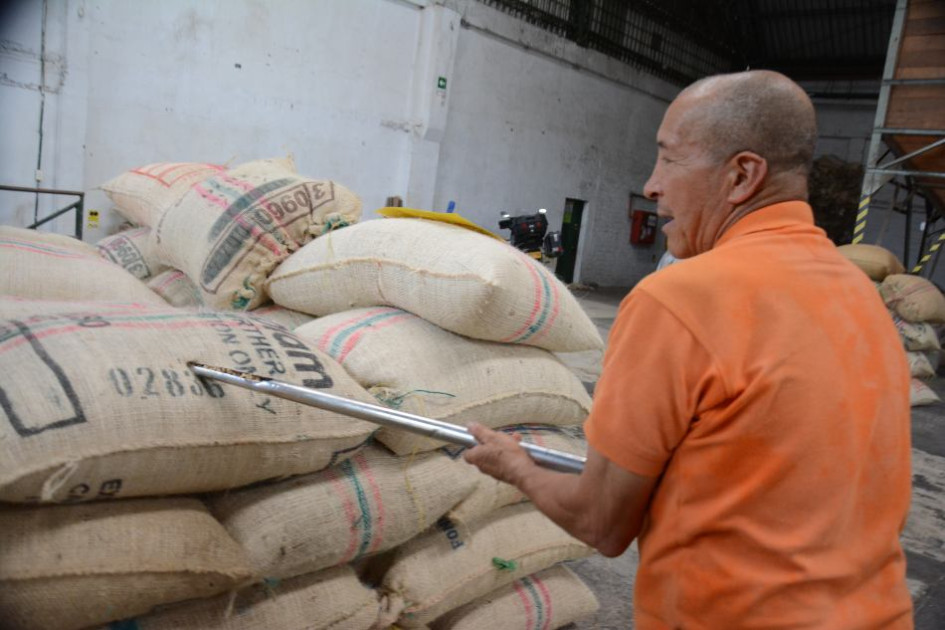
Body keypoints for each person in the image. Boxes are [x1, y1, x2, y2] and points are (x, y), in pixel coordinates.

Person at [464, 70, 913, 629]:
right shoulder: (858, 293)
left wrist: (516, 466)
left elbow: (602, 522)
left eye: (669, 160)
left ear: (742, 175)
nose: (651, 185)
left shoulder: (680, 299)